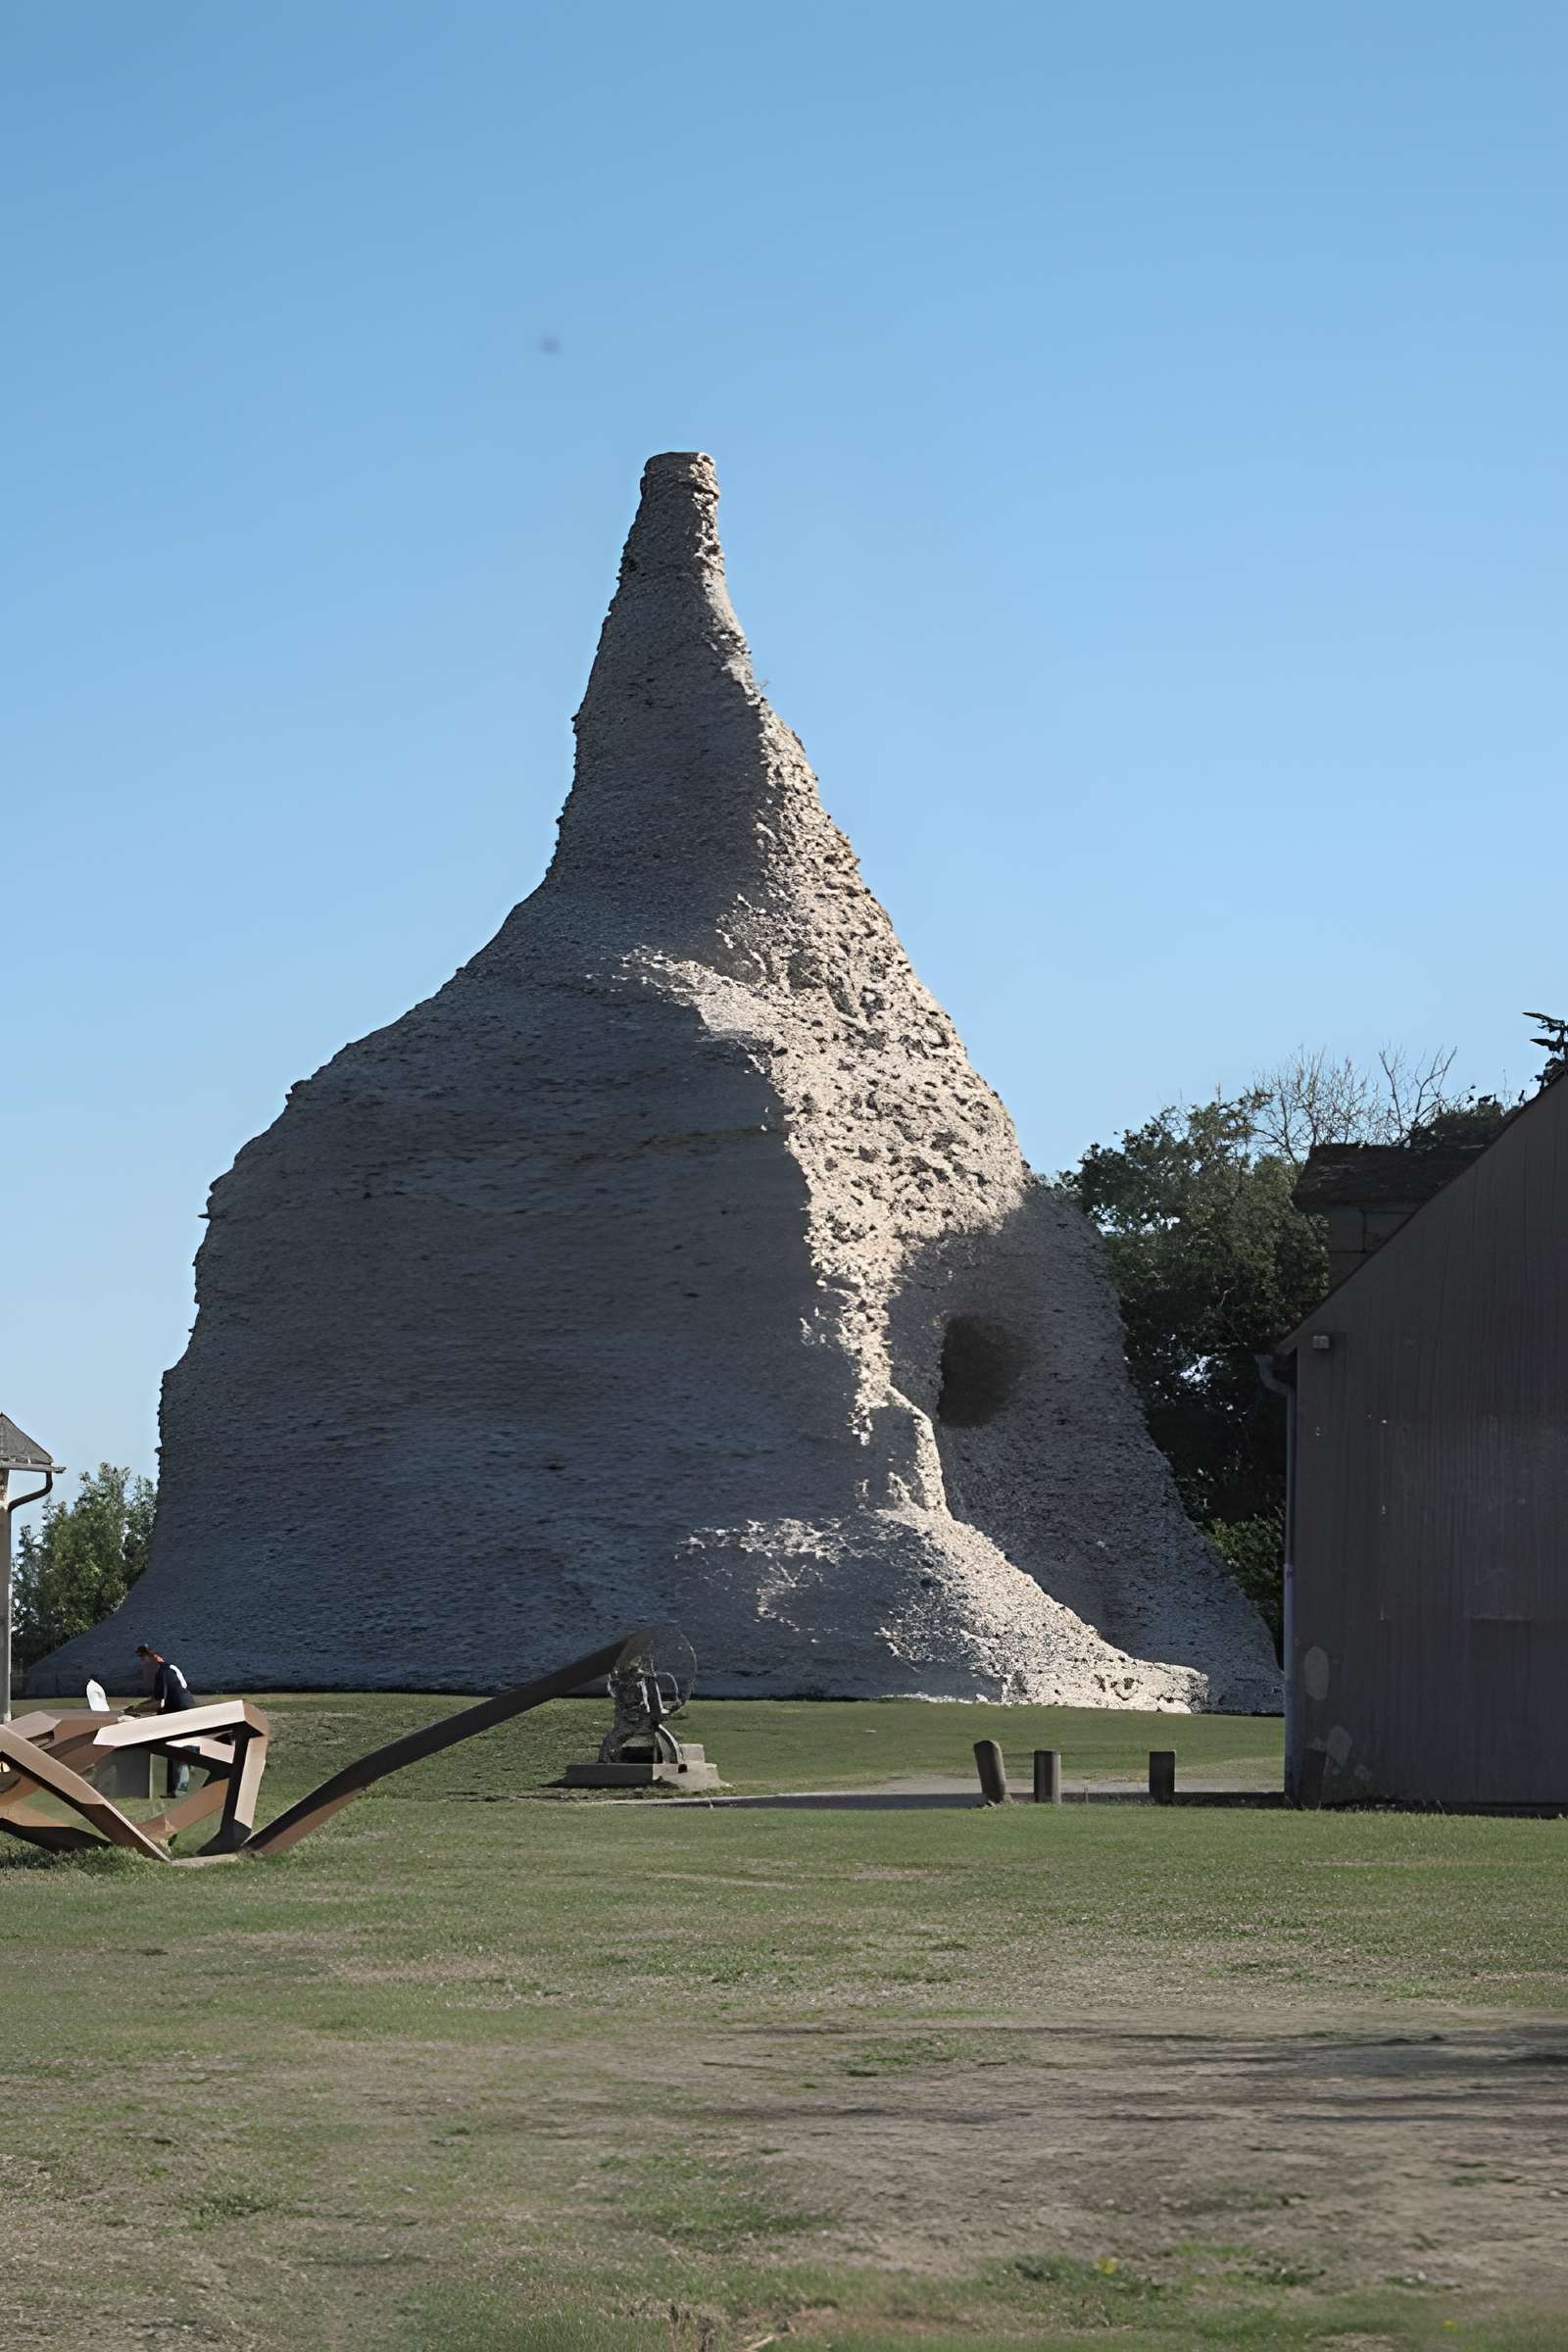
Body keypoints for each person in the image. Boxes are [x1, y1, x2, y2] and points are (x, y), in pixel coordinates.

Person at [132, 1644, 196, 1797]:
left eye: (144, 1657)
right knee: (177, 1750)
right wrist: (137, 1707)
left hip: (179, 1711)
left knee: (177, 1750)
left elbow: (158, 1702)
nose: (142, 1662)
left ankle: (178, 1790)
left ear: (154, 1657)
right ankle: (175, 1789)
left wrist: (136, 1710)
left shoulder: (163, 1672)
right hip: (179, 1709)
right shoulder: (168, 1669)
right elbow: (156, 1698)